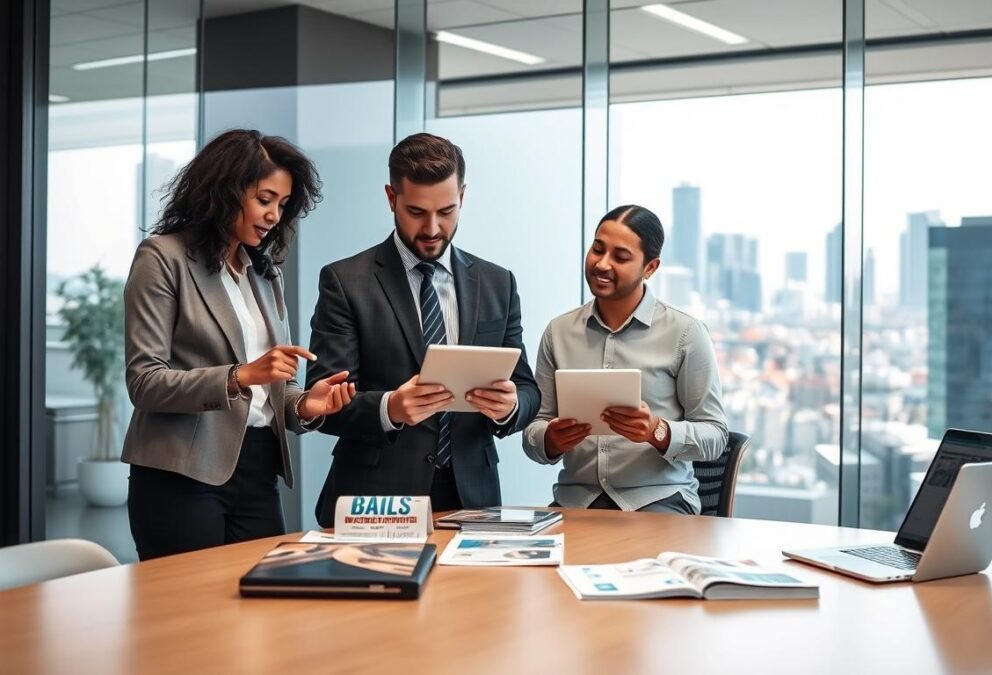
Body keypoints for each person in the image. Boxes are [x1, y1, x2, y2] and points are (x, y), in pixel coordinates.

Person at [123, 129, 355, 560]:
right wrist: (240, 376)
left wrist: (305, 405)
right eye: (264, 199)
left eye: (283, 205)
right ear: (223, 191)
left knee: (264, 616)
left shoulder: (265, 275)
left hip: (258, 470)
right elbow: (144, 381)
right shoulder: (162, 258)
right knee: (192, 619)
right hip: (180, 475)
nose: (273, 215)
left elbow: (274, 385)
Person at [306, 132, 540, 522]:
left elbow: (528, 389)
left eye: (446, 211)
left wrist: (510, 406)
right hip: (377, 497)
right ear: (391, 198)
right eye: (416, 212)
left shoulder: (499, 283)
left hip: (473, 495)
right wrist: (390, 408)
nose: (432, 228)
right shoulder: (345, 282)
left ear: (462, 197)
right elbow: (323, 403)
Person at [522, 204, 728, 514]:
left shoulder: (685, 334)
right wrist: (550, 438)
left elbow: (716, 437)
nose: (602, 264)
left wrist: (657, 430)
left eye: (620, 257)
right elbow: (533, 432)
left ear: (650, 268)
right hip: (576, 503)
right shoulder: (559, 332)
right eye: (597, 249)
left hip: (657, 501)